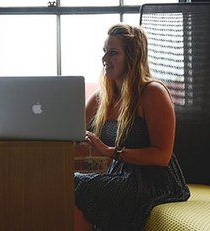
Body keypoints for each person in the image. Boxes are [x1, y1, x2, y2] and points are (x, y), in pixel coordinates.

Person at [75, 23, 190, 231]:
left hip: (155, 182)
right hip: (120, 176)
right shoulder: (104, 97)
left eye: (113, 53)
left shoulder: (152, 92)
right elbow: (72, 129)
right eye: (104, 52)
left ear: (132, 57)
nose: (104, 60)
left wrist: (112, 152)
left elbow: (162, 156)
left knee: (76, 187)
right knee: (68, 184)